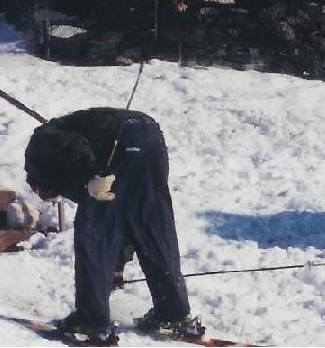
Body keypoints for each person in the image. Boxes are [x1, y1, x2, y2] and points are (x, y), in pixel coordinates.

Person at [24, 107, 204, 343]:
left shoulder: (39, 147)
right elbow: (124, 222)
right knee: (151, 227)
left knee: (93, 231)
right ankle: (173, 313)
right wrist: (116, 266)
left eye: (45, 194)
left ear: (39, 182)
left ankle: (91, 322)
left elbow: (75, 144)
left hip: (120, 142)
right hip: (151, 137)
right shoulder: (66, 167)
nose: (53, 198)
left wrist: (92, 173)